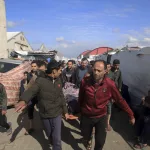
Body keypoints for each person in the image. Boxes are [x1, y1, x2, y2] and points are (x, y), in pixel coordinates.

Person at [79, 60, 135, 150]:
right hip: (87, 116)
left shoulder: (110, 84)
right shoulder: (85, 81)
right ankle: (87, 140)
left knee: (100, 142)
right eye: (94, 70)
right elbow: (81, 97)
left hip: (101, 116)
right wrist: (80, 111)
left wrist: (130, 114)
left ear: (105, 71)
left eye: (99, 71)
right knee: (85, 136)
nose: (96, 73)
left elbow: (120, 100)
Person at [15, 60, 70, 150]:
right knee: (49, 134)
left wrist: (65, 111)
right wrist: (23, 100)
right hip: (44, 114)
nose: (61, 72)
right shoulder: (40, 81)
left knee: (57, 139)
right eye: (59, 70)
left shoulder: (59, 80)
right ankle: (52, 142)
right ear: (54, 71)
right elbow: (31, 91)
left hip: (56, 113)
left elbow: (61, 97)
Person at [26, 60, 47, 134]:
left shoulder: (41, 74)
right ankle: (31, 126)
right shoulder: (29, 75)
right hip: (32, 95)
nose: (33, 67)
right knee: (30, 108)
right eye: (32, 66)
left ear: (38, 67)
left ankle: (45, 125)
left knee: (42, 109)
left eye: (35, 66)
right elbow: (28, 85)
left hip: (39, 95)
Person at [105, 63, 115, 131]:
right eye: (106, 67)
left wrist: (113, 96)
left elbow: (114, 86)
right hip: (101, 96)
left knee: (109, 110)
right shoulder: (102, 74)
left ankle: (107, 123)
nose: (108, 68)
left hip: (109, 96)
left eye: (109, 67)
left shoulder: (112, 74)